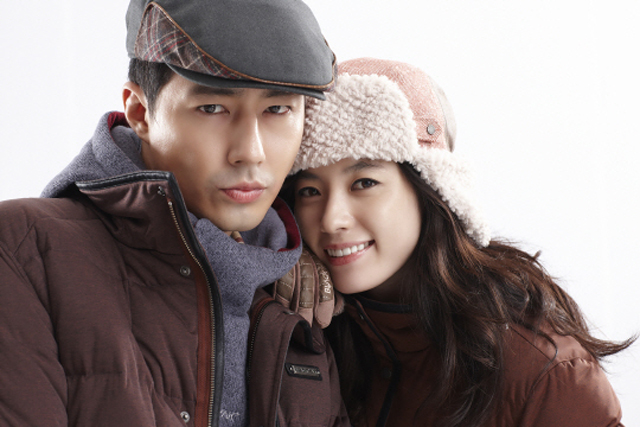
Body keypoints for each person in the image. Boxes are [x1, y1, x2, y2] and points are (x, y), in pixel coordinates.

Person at [0, 1, 348, 426]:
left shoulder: (302, 300)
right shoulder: (24, 251)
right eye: (213, 108)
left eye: (278, 110)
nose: (251, 152)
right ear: (140, 112)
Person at [283, 57, 634, 427]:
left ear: (431, 189)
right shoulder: (310, 330)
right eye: (309, 190)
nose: (331, 219)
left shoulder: (539, 368)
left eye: (364, 183)